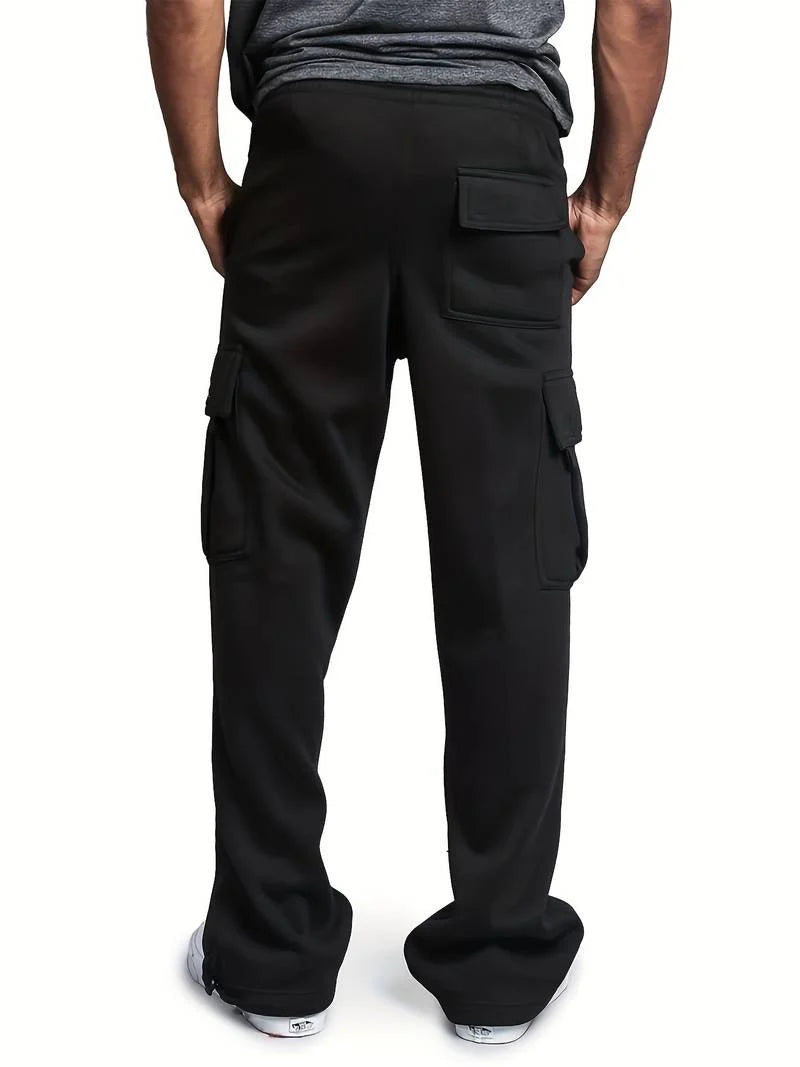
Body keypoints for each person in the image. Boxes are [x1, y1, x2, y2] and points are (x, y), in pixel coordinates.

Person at [147, 0, 670, 1045]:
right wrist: (605, 197)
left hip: (313, 158)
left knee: (276, 554)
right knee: (510, 560)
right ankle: (500, 957)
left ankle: (271, 952)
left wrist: (203, 180)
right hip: (498, 161)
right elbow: (639, 9)